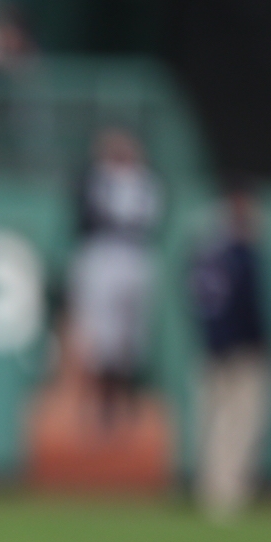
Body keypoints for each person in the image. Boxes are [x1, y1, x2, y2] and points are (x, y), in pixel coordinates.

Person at [187, 187, 271, 520]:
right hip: (241, 351)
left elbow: (194, 302)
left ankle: (210, 487)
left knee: (211, 421)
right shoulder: (242, 254)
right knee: (239, 423)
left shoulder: (202, 252)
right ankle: (227, 492)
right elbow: (250, 307)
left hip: (211, 348)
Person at [68, 127, 163, 426]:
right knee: (96, 335)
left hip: (132, 255)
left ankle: (126, 400)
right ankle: (94, 403)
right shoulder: (96, 178)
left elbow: (147, 220)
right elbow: (86, 215)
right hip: (101, 255)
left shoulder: (146, 181)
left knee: (130, 337)